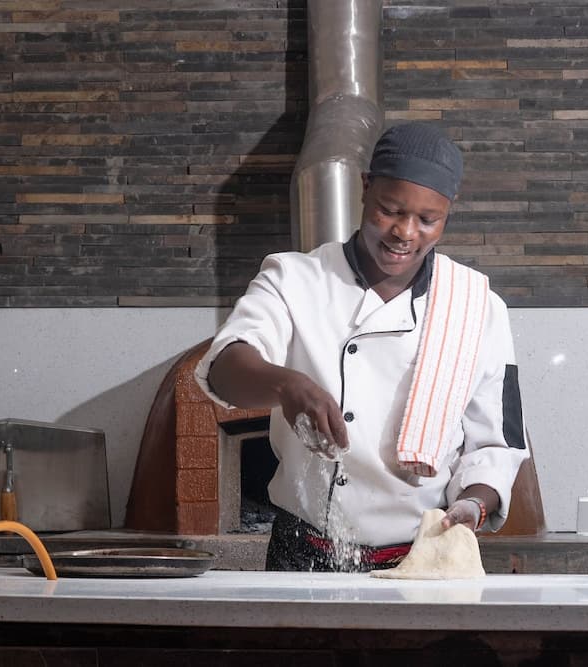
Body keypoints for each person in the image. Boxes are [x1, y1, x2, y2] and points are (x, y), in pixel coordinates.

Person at [194, 122, 530, 572]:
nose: (405, 232)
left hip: (422, 555)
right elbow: (225, 368)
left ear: (449, 210)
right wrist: (286, 385)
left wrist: (474, 503)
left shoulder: (476, 305)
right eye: (390, 210)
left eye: (428, 220)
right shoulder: (295, 279)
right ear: (365, 186)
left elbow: (497, 443)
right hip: (302, 551)